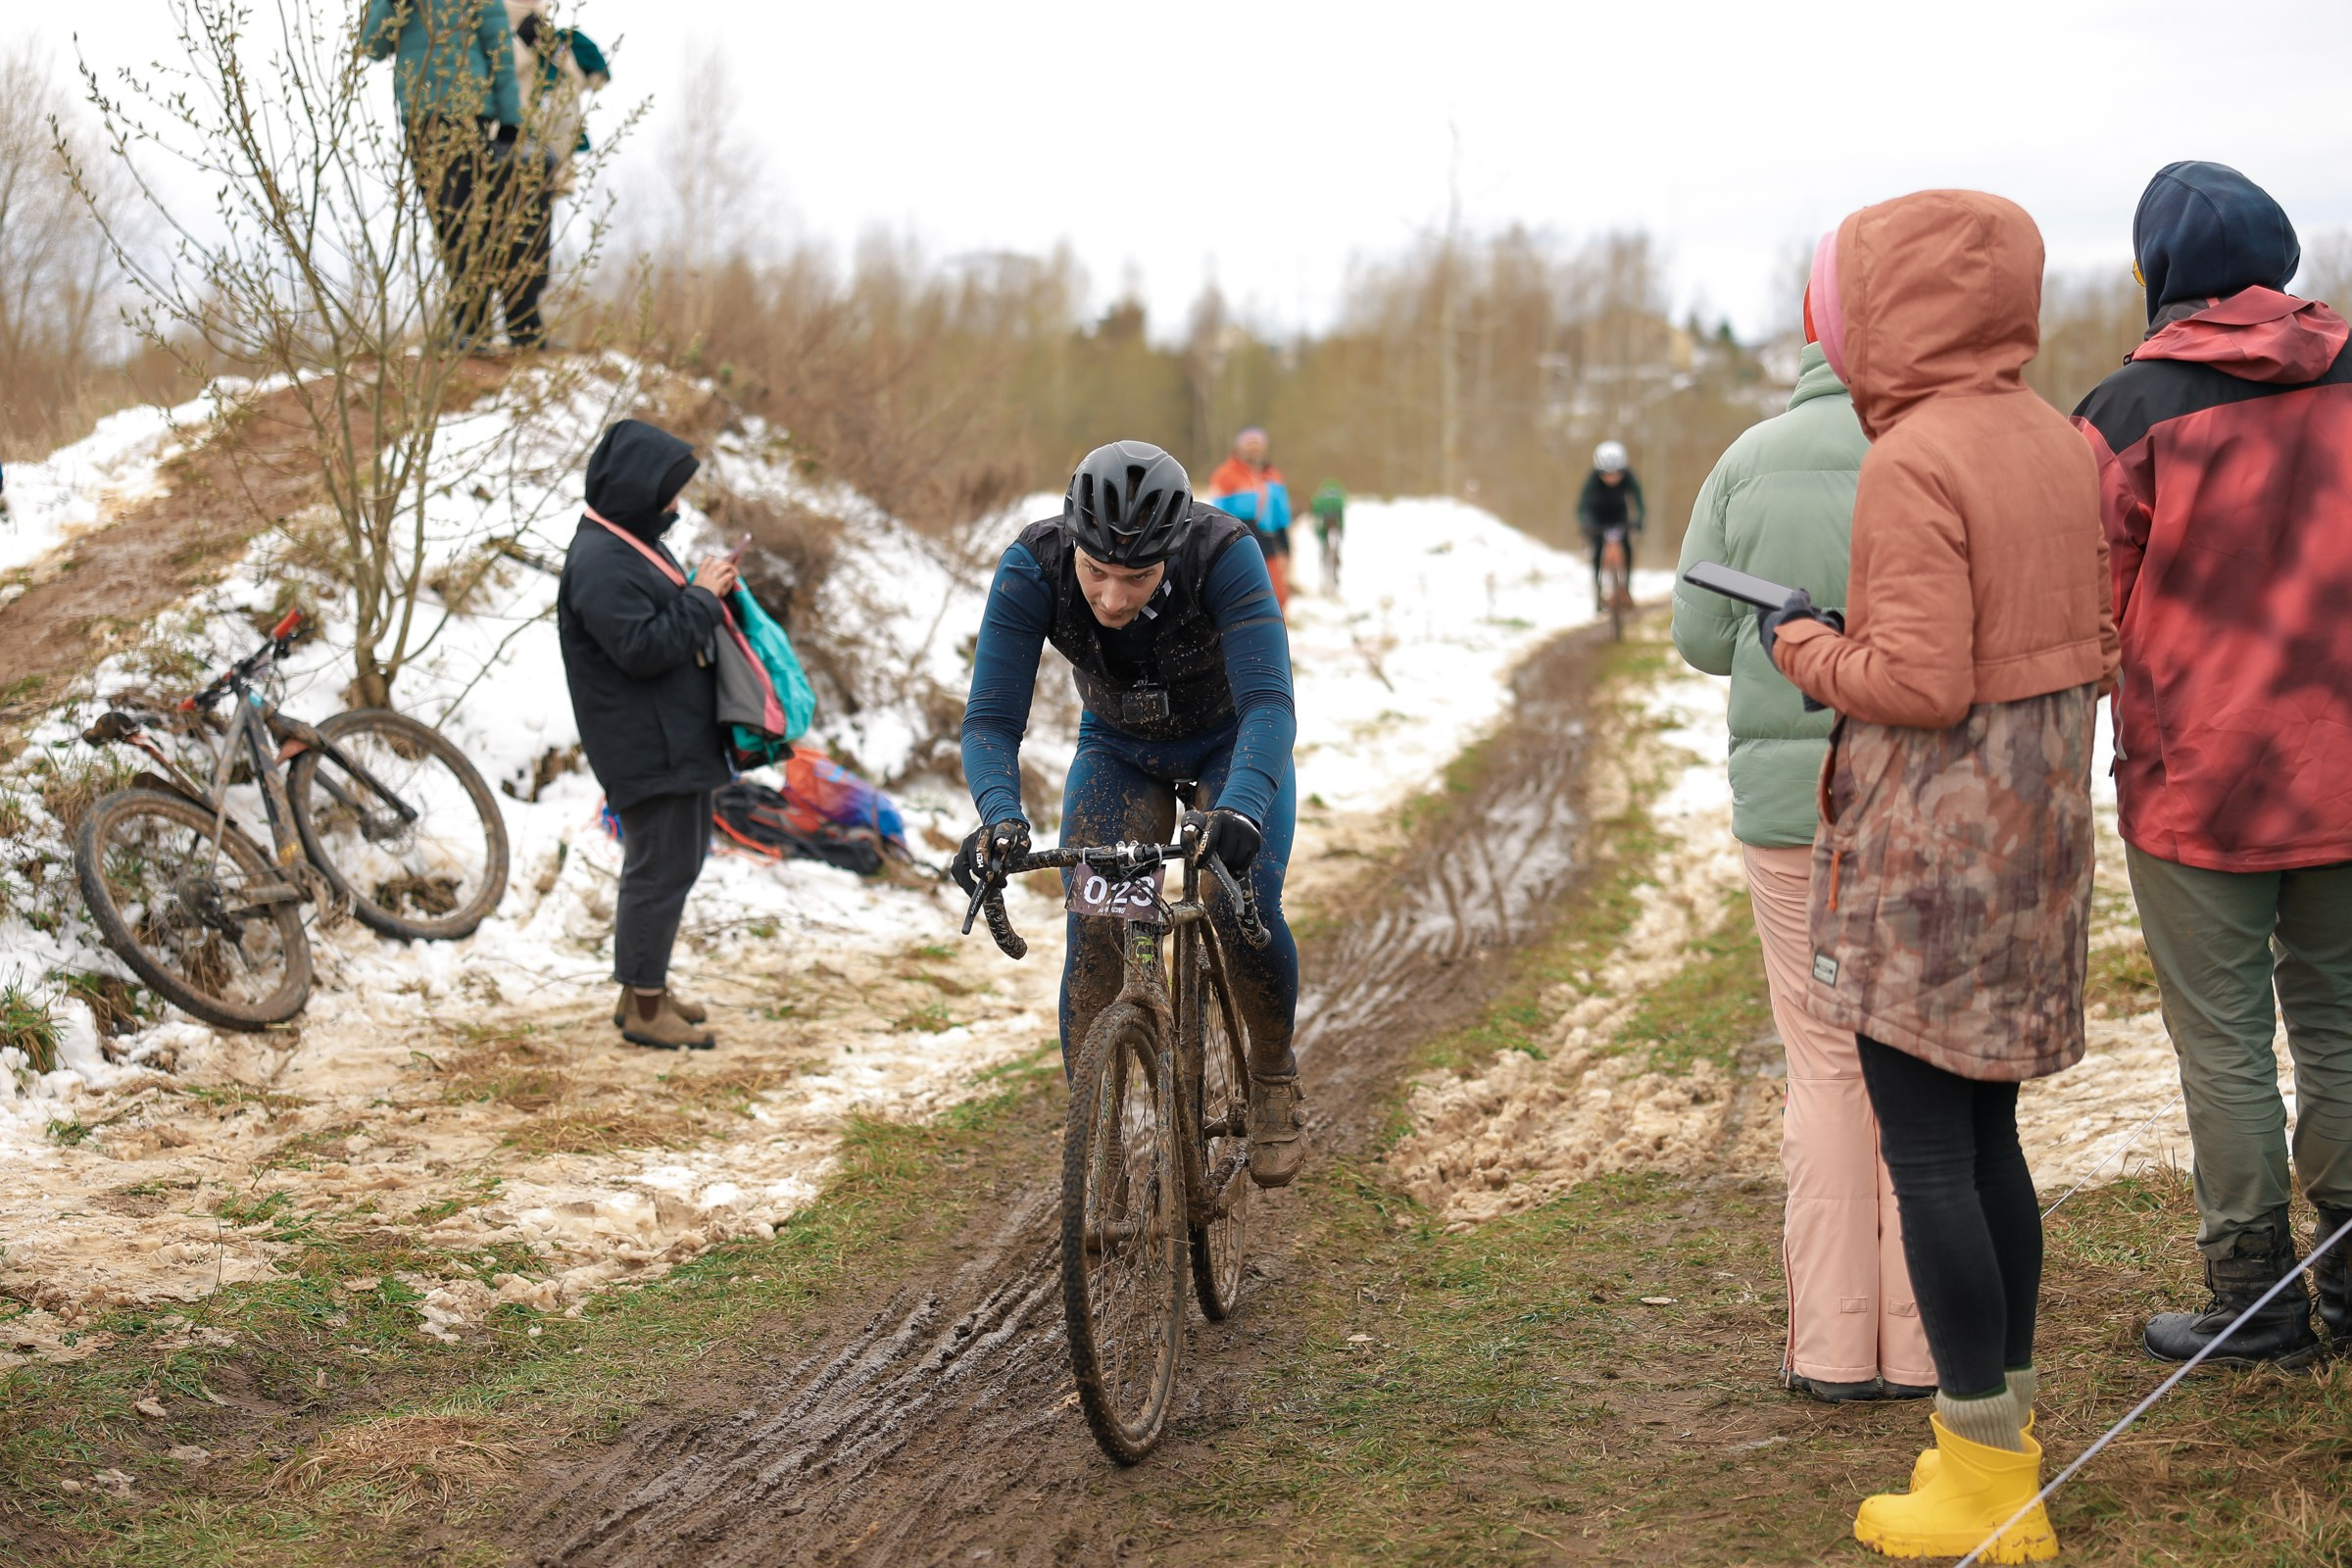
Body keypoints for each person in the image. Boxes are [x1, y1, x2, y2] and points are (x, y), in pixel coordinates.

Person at [1768, 193, 2116, 1562]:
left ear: (1885, 310)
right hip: (2032, 848)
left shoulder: (1913, 459)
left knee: (1928, 1156)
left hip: (1933, 857)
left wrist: (1804, 647)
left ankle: (1984, 1489)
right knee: (1987, 1144)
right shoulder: (2054, 437)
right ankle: (2003, 1440)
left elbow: (1918, 679)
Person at [2072, 161, 2352, 1369]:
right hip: (2346, 767)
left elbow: (2095, 602)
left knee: (2226, 1040)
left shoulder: (2125, 413)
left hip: (2198, 781)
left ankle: (2256, 1303)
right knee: (2342, 1021)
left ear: (2160, 278)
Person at [1673, 283, 1933, 1406]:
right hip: (1918, 793)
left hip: (1789, 812)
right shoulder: (1931, 451)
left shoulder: (1746, 459)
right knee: (1918, 1058)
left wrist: (1769, 626)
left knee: (1824, 1057)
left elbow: (1695, 636)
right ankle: (1929, 1347)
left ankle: (1833, 1348)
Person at [956, 440, 1308, 1186]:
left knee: (1230, 902)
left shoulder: (1225, 554)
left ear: (1173, 553)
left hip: (1229, 746)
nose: (1113, 599)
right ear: (1072, 545)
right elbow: (990, 719)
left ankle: (1273, 1071)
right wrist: (997, 814)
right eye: (1096, 573)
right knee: (1098, 925)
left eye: (1138, 577)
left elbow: (1270, 704)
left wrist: (1242, 807)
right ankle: (1101, 1141)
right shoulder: (1033, 566)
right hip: (1122, 752)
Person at [557, 419, 739, 1051]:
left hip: (675, 738)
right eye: (668, 494)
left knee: (676, 863)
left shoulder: (628, 541)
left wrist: (706, 593)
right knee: (658, 870)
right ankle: (643, 1007)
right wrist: (702, 599)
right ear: (637, 491)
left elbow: (667, 614)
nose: (676, 508)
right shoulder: (599, 562)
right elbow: (641, 647)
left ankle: (644, 987)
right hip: (645, 745)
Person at [360, 0, 528, 350]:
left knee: (462, 221)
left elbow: (499, 48)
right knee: (446, 223)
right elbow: (372, 46)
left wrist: (512, 119)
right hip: (420, 117)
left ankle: (472, 327)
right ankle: (471, 326)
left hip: (468, 115)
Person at [500, 1, 610, 350]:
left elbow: (594, 78)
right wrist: (520, 43)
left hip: (546, 153)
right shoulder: (491, 33)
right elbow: (497, 76)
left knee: (532, 239)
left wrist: (552, 48)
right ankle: (475, 329)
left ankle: (525, 328)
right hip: (498, 149)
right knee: (494, 236)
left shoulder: (564, 40)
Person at [1205, 426, 1294, 612]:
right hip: (1238, 538)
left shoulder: (1273, 476)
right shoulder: (1225, 475)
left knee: (1278, 593)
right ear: (1240, 447)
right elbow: (1217, 512)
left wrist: (1286, 548)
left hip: (1268, 539)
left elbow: (1281, 514)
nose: (1254, 448)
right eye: (1249, 443)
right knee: (1241, 590)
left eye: (1257, 443)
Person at [1576, 440, 1643, 608]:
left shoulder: (1629, 477)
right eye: (1606, 474)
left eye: (1616, 474)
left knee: (1627, 547)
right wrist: (1585, 524)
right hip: (1597, 516)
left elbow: (1639, 501)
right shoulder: (1591, 480)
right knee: (1597, 550)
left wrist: (1639, 520)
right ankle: (1598, 591)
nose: (1611, 478)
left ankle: (1626, 587)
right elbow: (1581, 506)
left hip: (1619, 516)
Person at [1308, 479, 1346, 595]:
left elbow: (1316, 513)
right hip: (1334, 529)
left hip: (1325, 530)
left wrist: (1318, 531)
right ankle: (1333, 583)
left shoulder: (1320, 499)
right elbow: (1342, 515)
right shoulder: (1337, 499)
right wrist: (1341, 530)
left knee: (1324, 556)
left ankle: (1325, 585)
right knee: (1333, 555)